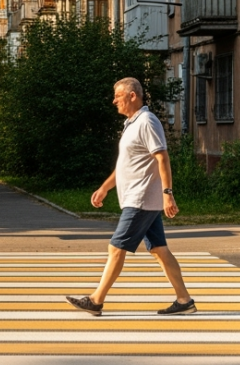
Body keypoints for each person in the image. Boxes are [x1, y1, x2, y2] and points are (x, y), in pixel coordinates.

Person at [66, 78, 197, 317]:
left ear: (133, 96)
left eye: (118, 95)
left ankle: (96, 300)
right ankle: (184, 299)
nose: (114, 100)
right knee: (159, 249)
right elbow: (126, 164)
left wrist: (168, 194)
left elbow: (162, 158)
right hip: (139, 198)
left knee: (116, 248)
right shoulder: (131, 124)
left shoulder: (147, 121)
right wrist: (105, 187)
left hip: (141, 199)